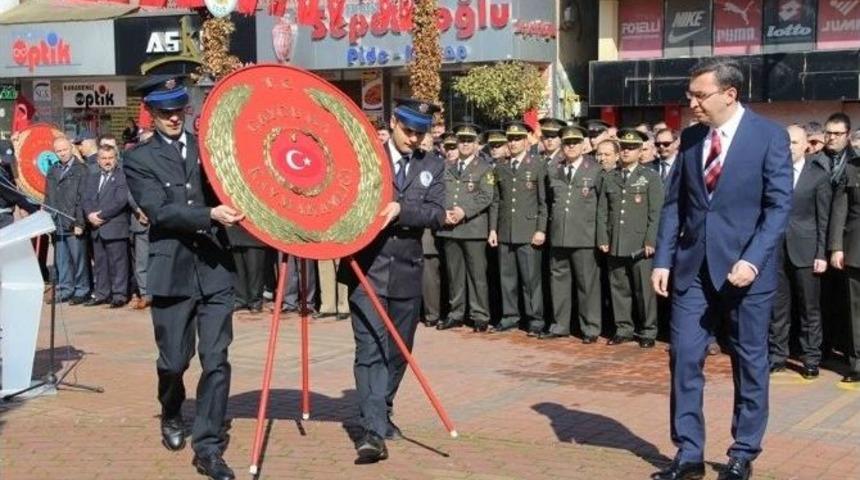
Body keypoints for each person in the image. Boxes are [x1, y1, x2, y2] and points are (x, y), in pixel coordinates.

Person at [651, 59, 792, 480]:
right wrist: (663, 259)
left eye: (700, 95)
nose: (691, 102)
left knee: (749, 363)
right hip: (692, 270)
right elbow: (676, 204)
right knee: (685, 357)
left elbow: (778, 206)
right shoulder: (692, 138)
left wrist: (752, 259)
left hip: (746, 273)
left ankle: (742, 454)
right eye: (690, 95)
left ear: (729, 94)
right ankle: (689, 454)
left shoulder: (769, 137)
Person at [124, 75, 243, 480]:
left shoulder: (207, 148)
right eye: (165, 111)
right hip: (171, 271)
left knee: (216, 360)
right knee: (174, 361)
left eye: (179, 109)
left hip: (214, 270)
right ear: (151, 113)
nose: (174, 117)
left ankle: (207, 448)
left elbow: (234, 181)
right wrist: (208, 214)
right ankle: (171, 411)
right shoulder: (138, 159)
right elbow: (158, 211)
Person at [336, 98, 445, 463]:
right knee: (370, 351)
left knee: (399, 352)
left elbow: (436, 212)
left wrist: (402, 210)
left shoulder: (432, 165)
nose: (413, 139)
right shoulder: (365, 158)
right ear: (393, 122)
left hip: (407, 273)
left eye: (420, 133)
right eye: (407, 130)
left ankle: (381, 410)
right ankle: (371, 431)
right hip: (366, 270)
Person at [769, 124, 830, 378]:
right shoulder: (773, 173)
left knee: (809, 308)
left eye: (794, 142)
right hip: (777, 249)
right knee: (778, 307)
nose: (788, 147)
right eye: (785, 142)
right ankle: (777, 355)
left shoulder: (818, 175)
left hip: (806, 249)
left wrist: (821, 253)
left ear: (806, 145)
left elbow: (823, 218)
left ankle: (810, 358)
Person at [597, 129, 663, 348]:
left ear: (640, 151)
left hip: (640, 244)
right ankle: (623, 328)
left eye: (631, 148)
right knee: (619, 289)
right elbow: (603, 211)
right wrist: (603, 237)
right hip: (616, 241)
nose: (626, 151)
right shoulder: (610, 177)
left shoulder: (649, 177)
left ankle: (648, 330)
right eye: (623, 147)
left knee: (644, 291)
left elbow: (655, 213)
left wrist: (650, 241)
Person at [542, 125, 602, 342]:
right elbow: (548, 202)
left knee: (587, 285)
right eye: (567, 143)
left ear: (583, 144)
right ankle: (560, 325)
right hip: (559, 235)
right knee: (558, 283)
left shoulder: (594, 169)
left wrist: (600, 237)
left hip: (585, 236)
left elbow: (602, 206)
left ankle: (590, 328)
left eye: (575, 142)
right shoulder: (553, 169)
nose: (571, 147)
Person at [488, 120, 547, 336]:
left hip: (529, 231)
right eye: (509, 139)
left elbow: (543, 201)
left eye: (516, 139)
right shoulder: (501, 167)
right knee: (507, 278)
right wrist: (493, 229)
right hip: (505, 230)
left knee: (531, 280)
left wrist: (541, 229)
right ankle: (509, 316)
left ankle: (535, 320)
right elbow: (497, 200)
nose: (512, 143)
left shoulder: (537, 165)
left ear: (526, 140)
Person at [436, 122, 494, 332]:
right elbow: (439, 193)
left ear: (477, 144)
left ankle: (480, 315)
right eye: (462, 141)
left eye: (470, 141)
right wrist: (445, 212)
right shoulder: (446, 167)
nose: (465, 144)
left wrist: (463, 211)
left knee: (477, 275)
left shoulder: (484, 168)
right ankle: (456, 312)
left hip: (473, 228)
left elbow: (486, 196)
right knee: (454, 274)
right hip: (450, 228)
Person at [828, 116, 860, 383]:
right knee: (855, 309)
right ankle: (857, 363)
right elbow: (840, 210)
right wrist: (837, 247)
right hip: (856, 248)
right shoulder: (851, 169)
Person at [82, 145, 130, 308]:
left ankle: (119, 295)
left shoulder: (122, 176)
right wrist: (89, 215)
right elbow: (86, 198)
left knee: (118, 264)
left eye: (110, 158)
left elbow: (120, 201)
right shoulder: (93, 177)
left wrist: (100, 216)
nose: (107, 161)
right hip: (96, 228)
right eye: (104, 158)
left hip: (114, 226)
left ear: (116, 158)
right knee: (101, 264)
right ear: (98, 160)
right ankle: (102, 294)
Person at [45, 136, 91, 304]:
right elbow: (48, 196)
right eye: (58, 151)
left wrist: (80, 223)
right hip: (57, 222)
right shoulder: (53, 170)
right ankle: (65, 289)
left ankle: (82, 290)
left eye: (64, 149)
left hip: (73, 222)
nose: (62, 153)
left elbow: (83, 198)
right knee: (61, 259)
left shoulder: (81, 170)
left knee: (78, 259)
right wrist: (48, 218)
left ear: (71, 149)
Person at [1, 139, 38, 228]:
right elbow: (14, 196)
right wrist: (34, 211)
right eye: (4, 159)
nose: (7, 162)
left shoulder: (6, 168)